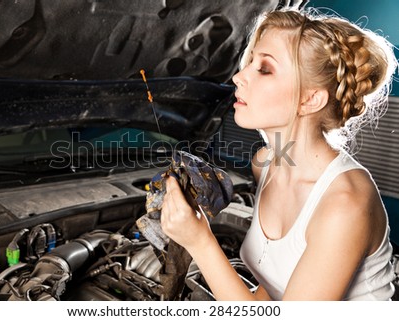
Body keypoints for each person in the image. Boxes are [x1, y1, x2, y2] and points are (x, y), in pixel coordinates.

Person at [160, 8, 398, 300]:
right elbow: (274, 288)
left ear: (309, 99)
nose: (238, 77)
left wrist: (200, 241)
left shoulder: (344, 204)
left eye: (264, 69)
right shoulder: (266, 164)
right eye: (249, 62)